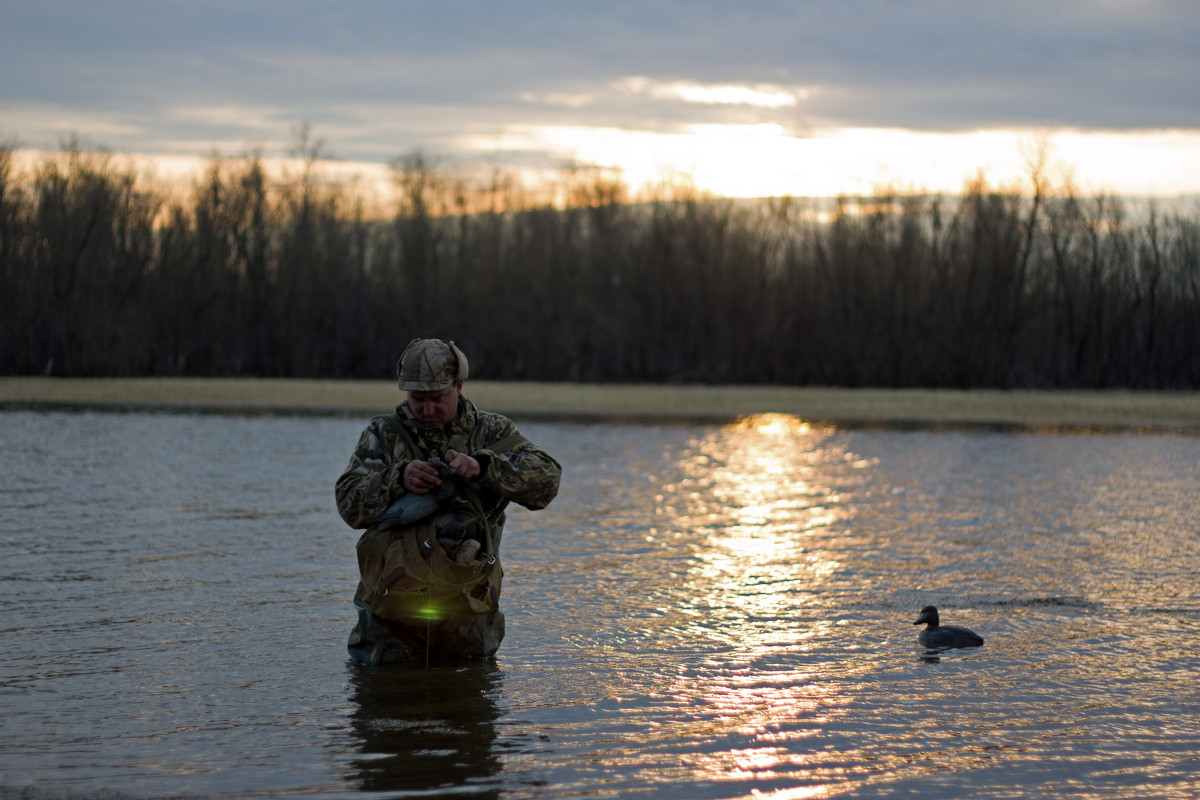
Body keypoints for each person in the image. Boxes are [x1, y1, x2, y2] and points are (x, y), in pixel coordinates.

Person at [336, 338, 561, 664]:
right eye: (417, 399)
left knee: (470, 704)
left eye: (437, 398)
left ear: (458, 386)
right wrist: (398, 479)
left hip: (467, 623)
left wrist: (484, 467)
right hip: (387, 628)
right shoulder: (384, 434)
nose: (427, 410)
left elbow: (547, 480)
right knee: (381, 708)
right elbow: (348, 503)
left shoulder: (492, 433)